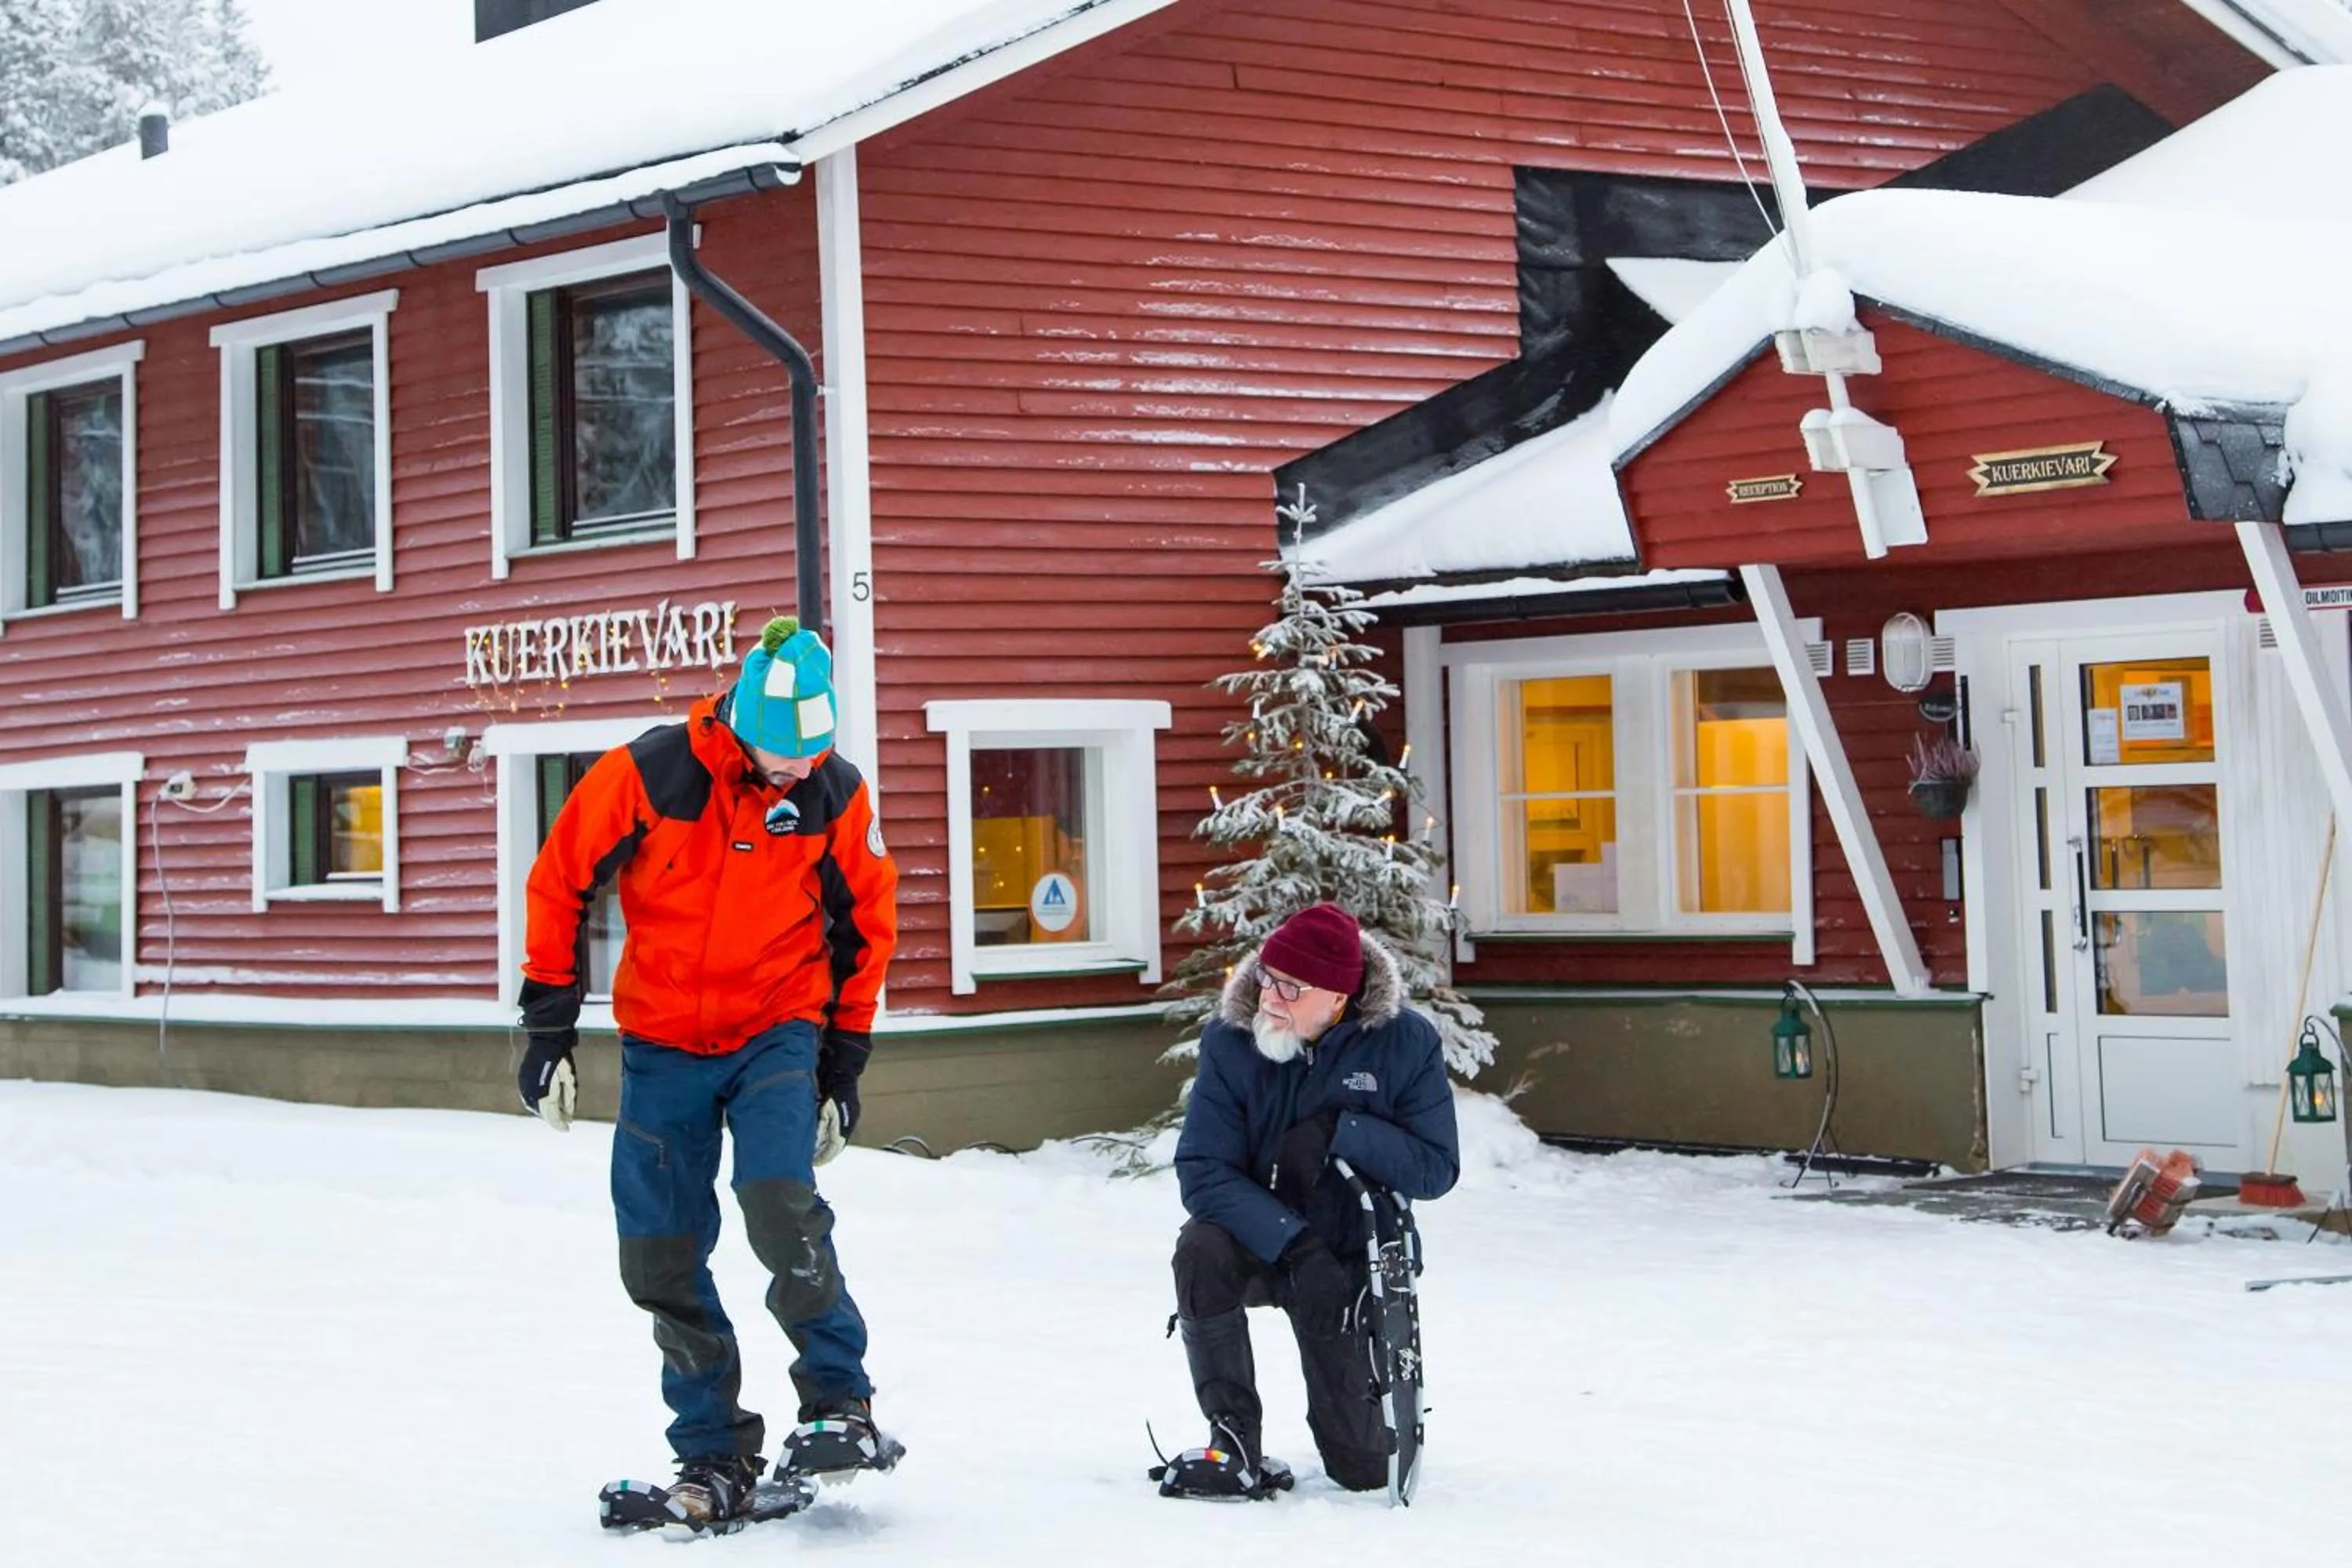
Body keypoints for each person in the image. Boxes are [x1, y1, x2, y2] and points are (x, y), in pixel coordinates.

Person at [514, 615, 899, 1526]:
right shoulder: (650, 771)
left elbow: (867, 928)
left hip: (778, 1026)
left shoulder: (835, 795)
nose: (799, 770)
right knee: (659, 1249)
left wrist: (843, 1063)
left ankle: (839, 1401)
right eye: (783, 754)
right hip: (662, 1039)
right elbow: (559, 878)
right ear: (737, 723)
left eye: (813, 753)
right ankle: (713, 1444)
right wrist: (548, 1030)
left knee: (776, 1196)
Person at [1167, 902, 1460, 1497]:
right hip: (1263, 1241)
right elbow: (1202, 1171)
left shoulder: (1404, 1044)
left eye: (1291, 987)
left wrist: (1341, 1130)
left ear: (1338, 996)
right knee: (1200, 1249)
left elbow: (1436, 1169)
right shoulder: (1231, 1041)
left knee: (1362, 1469)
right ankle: (1234, 1436)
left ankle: (1353, 1431)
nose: (1270, 996)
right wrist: (1295, 1245)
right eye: (1267, 977)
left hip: (1352, 1253)